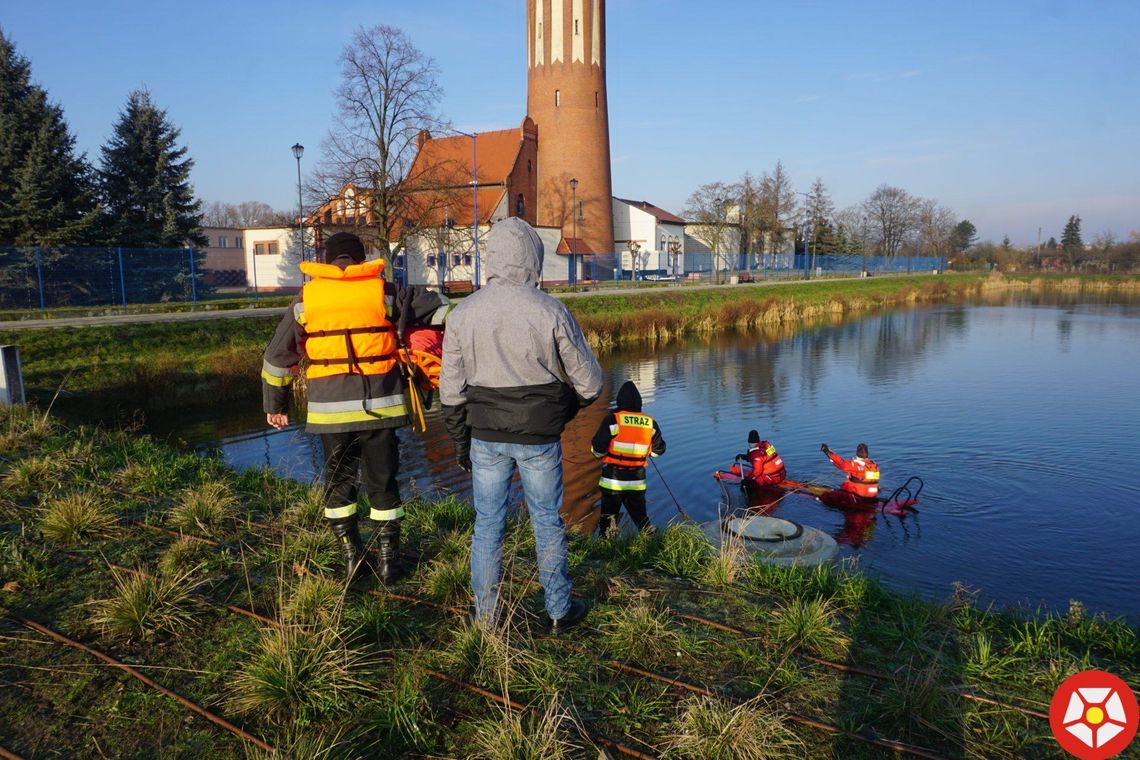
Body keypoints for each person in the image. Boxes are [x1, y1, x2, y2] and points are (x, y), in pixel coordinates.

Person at [440, 217, 603, 632]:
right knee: (546, 520)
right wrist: (561, 412)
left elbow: (451, 393)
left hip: (485, 435)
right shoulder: (551, 310)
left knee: (487, 524)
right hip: (539, 437)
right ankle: (557, 611)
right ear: (533, 257)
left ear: (491, 257)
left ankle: (487, 618)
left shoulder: (463, 313)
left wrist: (461, 443)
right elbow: (591, 382)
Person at [262, 232, 445, 584]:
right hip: (381, 408)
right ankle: (389, 562)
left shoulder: (306, 299)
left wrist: (276, 404)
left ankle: (352, 556)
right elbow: (438, 309)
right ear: (361, 260)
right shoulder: (386, 292)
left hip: (329, 414)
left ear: (328, 261)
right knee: (383, 483)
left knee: (339, 485)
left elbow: (276, 357)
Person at [590, 380, 666, 535]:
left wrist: (599, 454)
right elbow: (658, 452)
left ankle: (607, 549)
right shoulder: (650, 423)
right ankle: (650, 545)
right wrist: (646, 452)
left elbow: (598, 448)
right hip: (636, 481)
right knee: (641, 519)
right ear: (639, 403)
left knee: (608, 520)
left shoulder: (613, 420)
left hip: (613, 481)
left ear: (620, 402)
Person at [820, 442, 881, 507]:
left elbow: (841, 464)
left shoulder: (855, 465)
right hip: (872, 495)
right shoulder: (874, 466)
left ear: (857, 453)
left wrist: (827, 451)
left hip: (857, 496)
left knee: (826, 497)